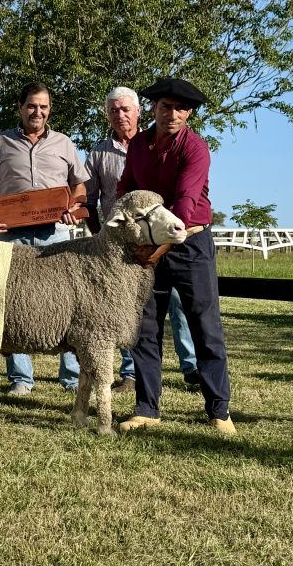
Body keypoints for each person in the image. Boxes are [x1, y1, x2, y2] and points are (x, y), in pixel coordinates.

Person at [116, 77, 236, 434]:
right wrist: (128, 231)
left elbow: (184, 205)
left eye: (181, 109)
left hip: (190, 244)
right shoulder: (139, 145)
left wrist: (157, 248)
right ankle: (146, 408)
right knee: (144, 327)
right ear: (154, 108)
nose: (172, 114)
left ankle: (219, 410)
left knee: (205, 326)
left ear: (189, 113)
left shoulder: (196, 148)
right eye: (166, 107)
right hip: (147, 247)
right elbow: (125, 189)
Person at [83, 86, 199, 396]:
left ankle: (190, 366)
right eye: (113, 110)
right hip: (122, 245)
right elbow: (90, 199)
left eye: (125, 109)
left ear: (138, 111)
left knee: (178, 302)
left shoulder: (154, 144)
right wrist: (101, 236)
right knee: (130, 307)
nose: (120, 115)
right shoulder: (98, 153)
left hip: (165, 236)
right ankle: (131, 373)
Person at [0, 82, 88, 395]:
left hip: (57, 234)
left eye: (43, 106)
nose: (37, 112)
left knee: (66, 301)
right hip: (12, 235)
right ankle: (21, 378)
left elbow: (80, 187)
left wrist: (74, 207)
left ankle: (71, 377)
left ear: (49, 110)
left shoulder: (64, 143)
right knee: (12, 301)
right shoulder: (2, 142)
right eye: (31, 106)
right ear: (20, 108)